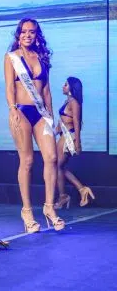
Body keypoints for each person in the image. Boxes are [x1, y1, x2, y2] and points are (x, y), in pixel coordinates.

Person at [4, 18, 65, 232]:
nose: (27, 35)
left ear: (36, 35)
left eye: (31, 32)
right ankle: (27, 211)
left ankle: (49, 207)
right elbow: (9, 87)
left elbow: (46, 90)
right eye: (24, 31)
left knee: (52, 157)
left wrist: (51, 115)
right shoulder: (11, 57)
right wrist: (12, 109)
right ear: (18, 34)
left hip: (41, 114)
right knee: (27, 161)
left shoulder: (42, 57)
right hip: (21, 111)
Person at [54, 77, 95, 208]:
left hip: (68, 137)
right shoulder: (67, 101)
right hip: (62, 136)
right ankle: (72, 192)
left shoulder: (74, 103)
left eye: (66, 84)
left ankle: (72, 193)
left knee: (58, 166)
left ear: (72, 87)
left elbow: (76, 122)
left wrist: (78, 142)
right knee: (59, 167)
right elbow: (62, 121)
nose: (63, 86)